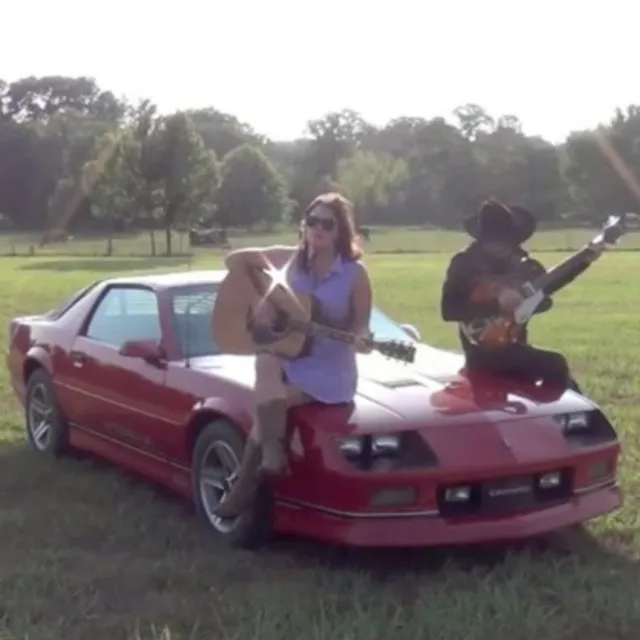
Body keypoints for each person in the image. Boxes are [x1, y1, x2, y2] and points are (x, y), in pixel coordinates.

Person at [214, 192, 373, 518]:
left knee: (269, 400)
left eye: (327, 224)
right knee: (266, 359)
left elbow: (361, 327)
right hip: (293, 356)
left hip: (331, 369)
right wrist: (265, 304)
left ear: (341, 230)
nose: (318, 229)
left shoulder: (355, 274)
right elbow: (233, 262)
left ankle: (245, 482)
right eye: (311, 221)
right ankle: (272, 456)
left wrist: (363, 339)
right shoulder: (289, 260)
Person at [440, 199, 604, 392]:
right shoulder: (464, 263)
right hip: (480, 354)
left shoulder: (525, 266)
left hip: (516, 347)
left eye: (504, 241)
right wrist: (497, 304)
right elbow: (448, 309)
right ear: (482, 239)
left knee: (566, 386)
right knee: (555, 364)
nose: (499, 246)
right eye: (492, 240)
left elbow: (548, 287)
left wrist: (585, 260)